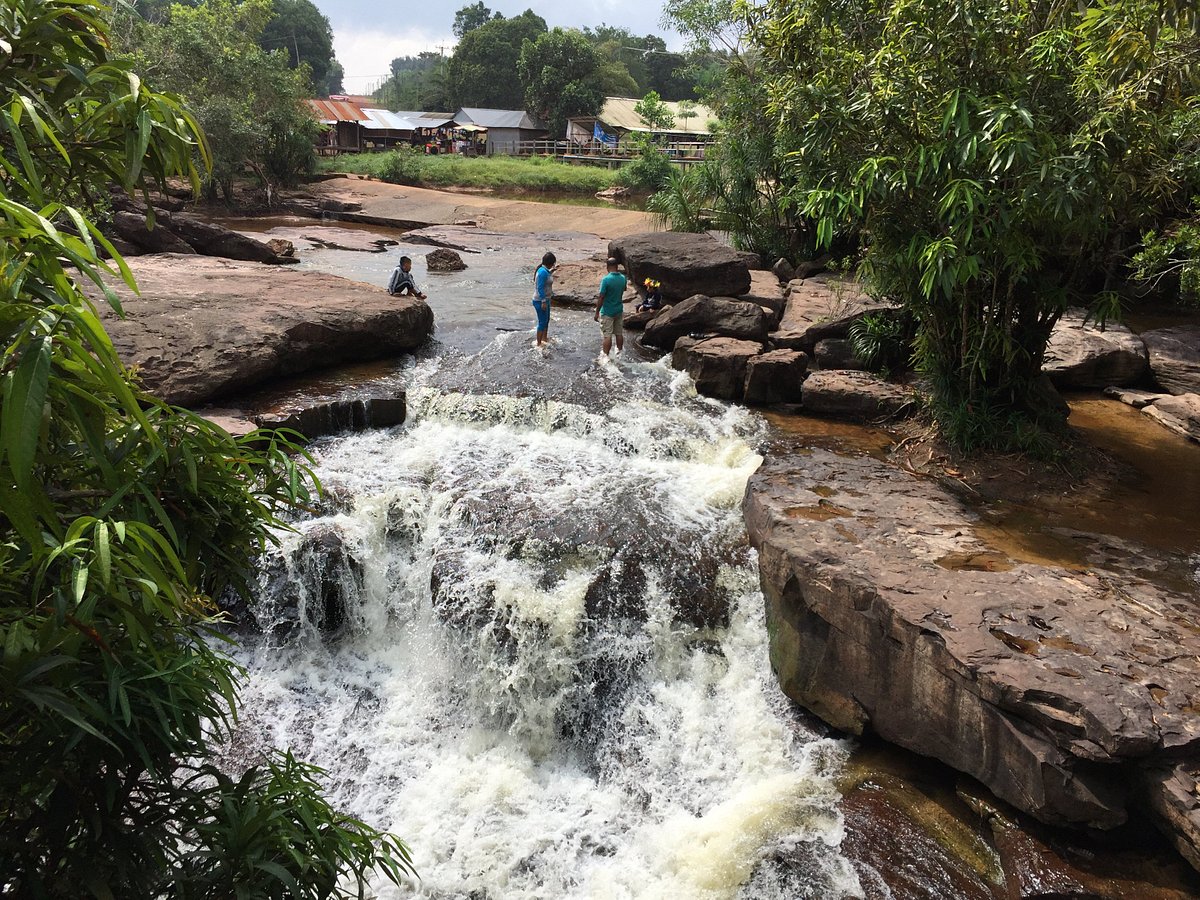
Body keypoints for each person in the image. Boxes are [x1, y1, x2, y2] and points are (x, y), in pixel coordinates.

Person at [594, 257, 628, 356]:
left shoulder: (606, 279)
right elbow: (624, 289)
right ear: (617, 266)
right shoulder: (623, 278)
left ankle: (605, 356)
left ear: (607, 267)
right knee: (619, 333)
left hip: (607, 311)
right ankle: (620, 353)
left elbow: (601, 297)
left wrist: (597, 312)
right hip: (619, 310)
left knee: (607, 335)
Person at [533, 251, 556, 347]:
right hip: (540, 300)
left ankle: (544, 339)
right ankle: (538, 343)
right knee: (542, 322)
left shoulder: (545, 270)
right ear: (551, 262)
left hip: (546, 299)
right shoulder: (542, 272)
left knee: (546, 321)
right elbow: (540, 287)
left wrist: (552, 271)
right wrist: (543, 301)